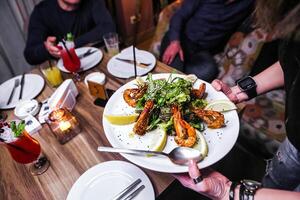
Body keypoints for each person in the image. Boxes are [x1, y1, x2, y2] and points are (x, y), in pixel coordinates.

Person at [174, 0, 300, 199]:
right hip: (293, 140)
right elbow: (293, 63)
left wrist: (228, 192)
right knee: (273, 181)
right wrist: (240, 90)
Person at [160, 0, 254, 82]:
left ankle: (182, 72)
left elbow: (259, 16)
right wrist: (174, 42)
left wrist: (242, 31)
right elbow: (179, 15)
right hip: (180, 40)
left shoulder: (247, 3)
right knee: (173, 72)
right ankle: (179, 71)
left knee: (209, 71)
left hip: (202, 51)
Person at [24, 0, 115, 65]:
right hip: (64, 71)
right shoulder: (42, 11)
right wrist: (47, 49)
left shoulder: (92, 2)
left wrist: (70, 45)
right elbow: (30, 55)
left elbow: (108, 28)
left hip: (96, 61)